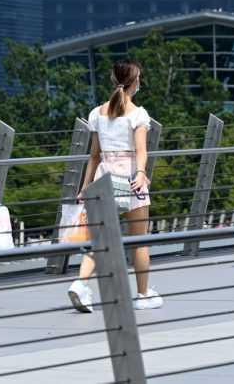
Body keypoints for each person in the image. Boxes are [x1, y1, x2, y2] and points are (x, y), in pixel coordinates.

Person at [67, 59, 162, 312]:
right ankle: (142, 295)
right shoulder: (138, 114)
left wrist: (85, 186)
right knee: (140, 241)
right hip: (130, 179)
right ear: (135, 82)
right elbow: (141, 151)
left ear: (113, 80)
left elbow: (94, 156)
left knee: (100, 238)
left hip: (104, 177)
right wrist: (140, 173)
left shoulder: (96, 113)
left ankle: (80, 284)